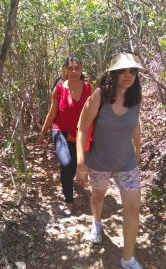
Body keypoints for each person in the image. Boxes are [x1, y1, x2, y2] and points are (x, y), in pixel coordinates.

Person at [76, 51, 146, 269]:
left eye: (132, 71)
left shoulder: (135, 97)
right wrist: (80, 164)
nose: (128, 75)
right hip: (99, 161)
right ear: (112, 73)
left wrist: (138, 147)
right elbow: (82, 128)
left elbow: (135, 123)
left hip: (126, 162)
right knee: (98, 197)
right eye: (122, 71)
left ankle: (127, 258)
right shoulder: (99, 96)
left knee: (133, 208)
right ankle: (96, 222)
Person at [39, 55, 94, 216]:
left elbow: (94, 113)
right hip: (61, 130)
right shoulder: (59, 89)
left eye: (77, 67)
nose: (74, 71)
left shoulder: (89, 88)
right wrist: (43, 132)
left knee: (77, 164)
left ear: (81, 69)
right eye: (70, 68)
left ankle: (71, 180)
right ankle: (69, 201)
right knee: (66, 163)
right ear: (65, 70)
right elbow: (52, 112)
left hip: (81, 134)